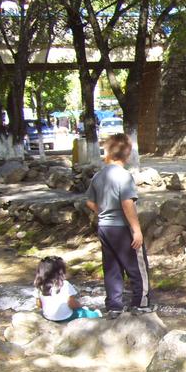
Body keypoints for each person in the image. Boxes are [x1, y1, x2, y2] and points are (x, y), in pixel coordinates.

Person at [85, 133, 152, 318]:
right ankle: (141, 303)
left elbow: (89, 203)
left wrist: (103, 212)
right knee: (137, 266)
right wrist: (136, 230)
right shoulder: (124, 176)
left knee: (112, 267)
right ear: (128, 153)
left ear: (108, 152)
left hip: (104, 228)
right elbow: (127, 203)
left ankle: (114, 306)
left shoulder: (99, 175)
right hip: (122, 228)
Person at [34, 256, 102, 321]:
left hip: (48, 316)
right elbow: (71, 304)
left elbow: (38, 304)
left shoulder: (40, 285)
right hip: (66, 317)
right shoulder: (64, 284)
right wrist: (81, 306)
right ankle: (96, 314)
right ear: (60, 272)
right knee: (87, 313)